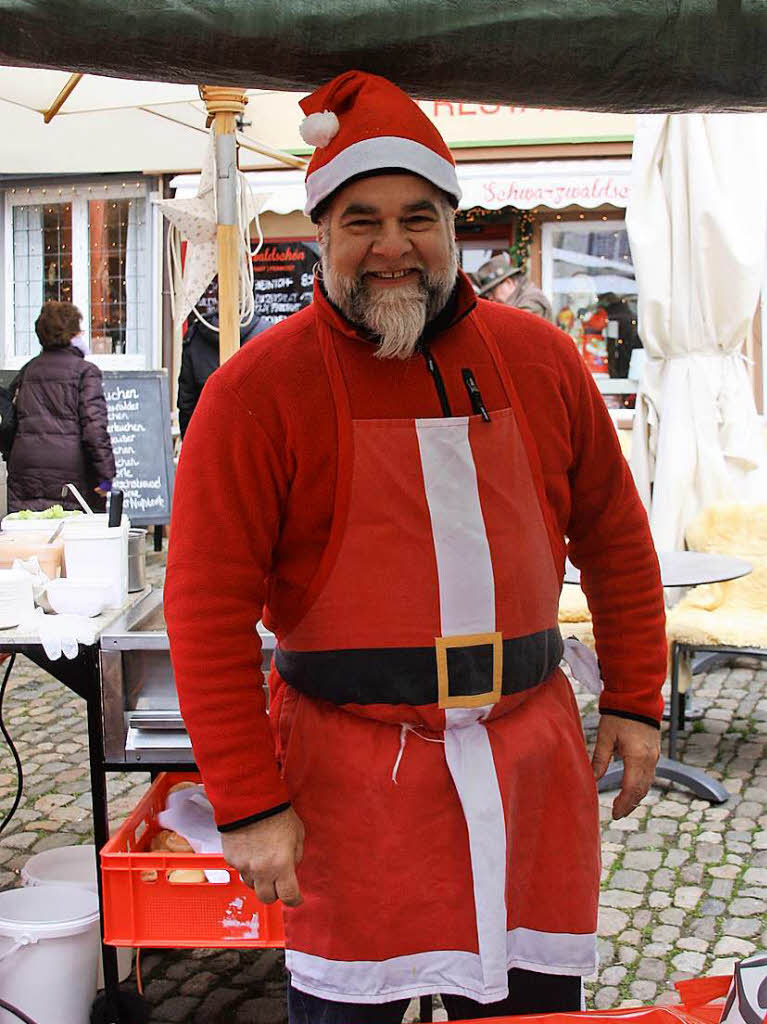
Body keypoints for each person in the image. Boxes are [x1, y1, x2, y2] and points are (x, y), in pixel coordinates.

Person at [164, 70, 666, 1024]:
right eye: (361, 220)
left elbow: (615, 540)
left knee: (532, 1010)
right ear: (321, 233)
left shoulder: (542, 359)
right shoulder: (256, 392)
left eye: (416, 217)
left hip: (529, 766)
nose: (392, 245)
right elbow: (204, 605)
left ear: (451, 223)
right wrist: (249, 802)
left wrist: (637, 698)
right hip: (349, 785)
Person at [6, 301, 114, 513]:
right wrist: (105, 476)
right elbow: (94, 429)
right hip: (73, 473)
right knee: (75, 539)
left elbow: (10, 423)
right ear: (73, 334)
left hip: (25, 471)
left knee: (29, 539)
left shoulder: (27, 371)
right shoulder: (85, 372)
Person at [177, 307, 269, 438]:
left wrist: (190, 443)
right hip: (256, 441)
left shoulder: (195, 337)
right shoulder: (266, 334)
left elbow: (186, 403)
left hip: (208, 439)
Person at [474, 251, 554, 320]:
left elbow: (515, 330)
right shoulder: (519, 300)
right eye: (487, 294)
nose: (490, 298)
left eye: (492, 291)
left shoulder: (531, 302)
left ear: (508, 282)